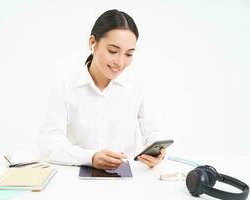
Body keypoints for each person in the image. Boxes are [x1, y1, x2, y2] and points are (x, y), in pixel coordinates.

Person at [37, 9, 166, 170]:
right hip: (75, 178)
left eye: (129, 54)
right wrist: (90, 157)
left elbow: (153, 130)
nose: (120, 62)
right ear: (93, 43)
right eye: (113, 51)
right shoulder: (65, 87)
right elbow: (48, 145)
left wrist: (157, 151)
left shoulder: (138, 87)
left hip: (125, 179)